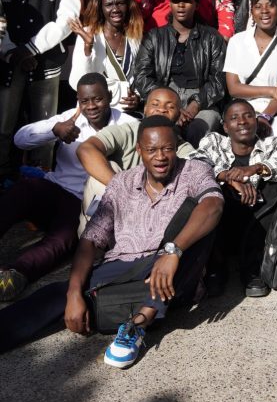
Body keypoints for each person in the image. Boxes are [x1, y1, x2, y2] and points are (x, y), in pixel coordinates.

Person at [65, 116, 223, 368]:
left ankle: (138, 322)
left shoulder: (194, 170)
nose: (160, 156)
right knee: (51, 302)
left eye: (167, 148)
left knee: (198, 217)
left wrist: (173, 251)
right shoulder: (121, 182)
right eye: (151, 150)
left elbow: (214, 205)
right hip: (123, 268)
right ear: (140, 150)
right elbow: (91, 240)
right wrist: (73, 293)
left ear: (176, 146)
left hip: (173, 266)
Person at [0, 73, 132, 301]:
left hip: (84, 204)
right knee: (23, 190)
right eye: (84, 101)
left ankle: (15, 274)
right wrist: (54, 131)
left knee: (61, 241)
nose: (91, 106)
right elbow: (20, 138)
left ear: (109, 97)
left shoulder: (128, 124)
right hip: (56, 189)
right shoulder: (70, 118)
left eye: (97, 99)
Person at [191, 99, 277, 297]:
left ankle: (253, 267)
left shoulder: (273, 143)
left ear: (256, 122)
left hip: (260, 224)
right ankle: (216, 267)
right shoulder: (213, 141)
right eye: (234, 118)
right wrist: (227, 177)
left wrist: (256, 169)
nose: (242, 121)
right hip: (225, 224)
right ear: (225, 126)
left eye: (248, 116)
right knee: (208, 191)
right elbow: (194, 166)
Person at [0, 0, 80, 179]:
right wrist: (12, 50)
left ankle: (39, 181)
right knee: (4, 125)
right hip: (8, 61)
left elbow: (67, 21)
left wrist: (31, 49)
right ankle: (3, 178)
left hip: (46, 63)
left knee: (44, 129)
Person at [75, 86, 197, 232]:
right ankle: (93, 247)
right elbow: (85, 150)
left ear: (179, 114)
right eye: (155, 104)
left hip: (152, 221)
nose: (162, 110)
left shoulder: (184, 149)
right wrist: (124, 189)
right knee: (103, 173)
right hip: (115, 209)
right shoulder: (128, 130)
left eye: (170, 107)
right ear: (145, 108)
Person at [133, 0, 227, 147]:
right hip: (163, 97)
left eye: (187, 1)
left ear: (196, 5)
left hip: (201, 100)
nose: (181, 5)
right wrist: (168, 104)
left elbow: (219, 79)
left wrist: (195, 105)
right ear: (170, 4)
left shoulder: (212, 38)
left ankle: (192, 170)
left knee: (199, 128)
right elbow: (141, 75)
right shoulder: (154, 37)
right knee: (159, 131)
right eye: (176, 1)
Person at [224, 0, 277, 132]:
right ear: (252, 12)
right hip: (243, 111)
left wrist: (265, 116)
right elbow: (233, 89)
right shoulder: (236, 41)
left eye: (270, 6)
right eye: (258, 7)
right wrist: (272, 90)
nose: (264, 11)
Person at [68, 0, 143, 112]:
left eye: (120, 3)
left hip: (128, 112)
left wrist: (138, 97)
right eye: (109, 5)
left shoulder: (135, 36)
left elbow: (141, 76)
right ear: (100, 8)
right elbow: (77, 83)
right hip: (97, 112)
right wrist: (88, 47)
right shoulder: (88, 34)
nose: (116, 9)